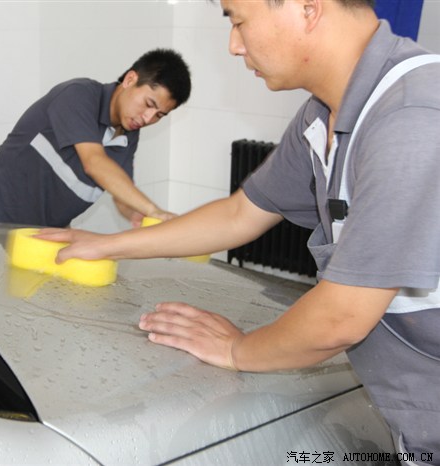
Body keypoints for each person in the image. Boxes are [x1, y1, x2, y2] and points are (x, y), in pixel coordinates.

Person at [38, 0, 440, 462]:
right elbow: (238, 214)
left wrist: (237, 350)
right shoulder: (321, 118)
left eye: (239, 20)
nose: (233, 45)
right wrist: (108, 246)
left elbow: (341, 318)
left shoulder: (412, 115)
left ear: (307, 8)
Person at [0, 48, 191, 228]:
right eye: (149, 104)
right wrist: (153, 210)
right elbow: (94, 163)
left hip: (47, 233)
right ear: (130, 79)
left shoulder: (128, 133)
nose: (148, 118)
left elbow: (120, 191)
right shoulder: (78, 95)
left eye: (159, 115)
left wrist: (138, 215)